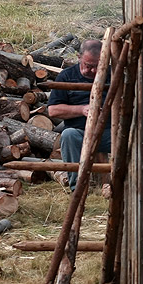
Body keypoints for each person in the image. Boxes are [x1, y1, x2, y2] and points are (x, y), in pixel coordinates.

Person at [47, 40, 111, 190]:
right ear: (79, 57)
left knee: (131, 138)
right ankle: (78, 187)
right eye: (88, 65)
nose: (93, 71)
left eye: (98, 66)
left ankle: (126, 182)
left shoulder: (115, 74)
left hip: (110, 133)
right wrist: (81, 110)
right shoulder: (67, 76)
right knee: (68, 135)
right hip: (80, 134)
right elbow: (53, 110)